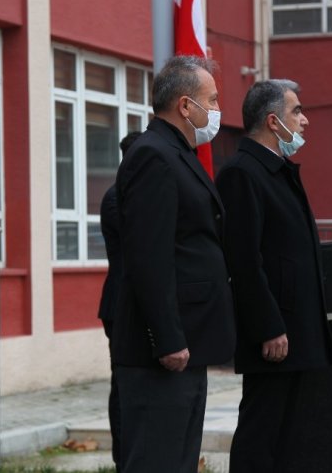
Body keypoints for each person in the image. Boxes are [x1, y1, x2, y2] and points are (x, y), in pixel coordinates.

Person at [111, 55, 236, 473]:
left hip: (189, 341)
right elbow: (150, 255)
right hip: (164, 351)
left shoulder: (177, 153)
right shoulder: (153, 155)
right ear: (186, 105)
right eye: (212, 100)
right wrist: (166, 337)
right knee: (156, 461)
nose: (217, 110)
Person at [216, 79, 332, 472]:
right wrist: (268, 326)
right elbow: (245, 261)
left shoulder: (278, 170)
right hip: (275, 336)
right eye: (296, 111)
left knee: (290, 440)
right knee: (262, 436)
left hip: (297, 331)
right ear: (272, 121)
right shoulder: (242, 173)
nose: (304, 121)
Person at [97, 130, 141, 472]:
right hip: (120, 304)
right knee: (122, 384)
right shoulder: (117, 198)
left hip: (133, 301)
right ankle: (122, 458)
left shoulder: (131, 194)